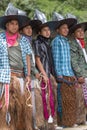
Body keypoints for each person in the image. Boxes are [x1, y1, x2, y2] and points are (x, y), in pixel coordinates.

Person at [0, 3, 32, 130]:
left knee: (21, 107)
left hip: (20, 78)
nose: (14, 26)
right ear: (6, 25)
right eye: (11, 23)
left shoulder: (23, 40)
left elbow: (28, 57)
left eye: (16, 24)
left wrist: (28, 74)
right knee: (6, 107)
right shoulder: (1, 39)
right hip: (5, 77)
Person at [51, 12, 77, 127]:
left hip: (69, 73)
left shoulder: (66, 41)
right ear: (58, 30)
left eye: (67, 28)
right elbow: (56, 60)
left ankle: (70, 121)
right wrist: (59, 75)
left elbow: (69, 60)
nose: (66, 30)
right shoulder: (57, 41)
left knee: (70, 100)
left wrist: (72, 74)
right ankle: (62, 122)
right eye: (63, 28)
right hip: (62, 75)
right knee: (62, 100)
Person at [33, 9, 57, 130]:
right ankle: (45, 123)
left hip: (48, 72)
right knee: (44, 99)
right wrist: (44, 74)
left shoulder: (47, 42)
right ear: (39, 31)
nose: (48, 32)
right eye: (45, 30)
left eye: (48, 30)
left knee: (50, 98)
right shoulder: (37, 42)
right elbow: (37, 60)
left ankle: (51, 123)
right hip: (43, 74)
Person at [69, 22, 87, 124]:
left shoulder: (82, 43)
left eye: (82, 31)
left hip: (85, 72)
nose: (81, 33)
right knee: (81, 98)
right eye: (78, 31)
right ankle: (79, 119)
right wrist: (79, 75)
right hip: (81, 74)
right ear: (74, 33)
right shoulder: (73, 44)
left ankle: (83, 118)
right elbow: (74, 60)